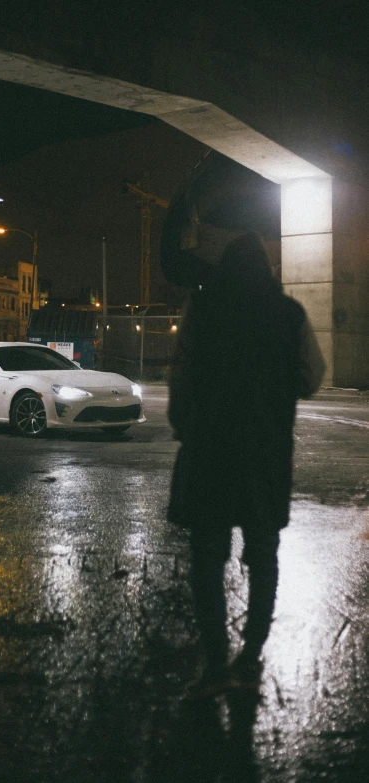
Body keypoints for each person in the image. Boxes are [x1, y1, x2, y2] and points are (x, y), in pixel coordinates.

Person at [161, 183, 326, 698]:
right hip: (265, 454)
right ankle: (251, 657)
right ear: (267, 270)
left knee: (208, 558)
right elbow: (311, 378)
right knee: (263, 555)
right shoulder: (290, 314)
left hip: (210, 451)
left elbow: (181, 377)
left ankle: (214, 667)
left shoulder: (202, 308)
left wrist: (185, 425)